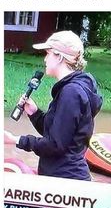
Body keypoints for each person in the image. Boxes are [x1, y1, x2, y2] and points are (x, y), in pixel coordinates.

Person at [4, 30, 103, 181]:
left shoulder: (71, 92)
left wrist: (15, 140)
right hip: (63, 177)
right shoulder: (72, 89)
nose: (45, 59)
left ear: (59, 57)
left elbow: (55, 145)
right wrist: (35, 113)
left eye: (48, 54)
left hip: (66, 181)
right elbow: (59, 134)